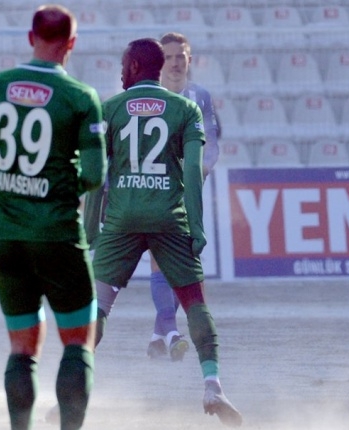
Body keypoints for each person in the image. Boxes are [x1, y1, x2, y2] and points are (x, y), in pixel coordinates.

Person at [0, 5, 106, 429]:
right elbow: (94, 175)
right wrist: (61, 188)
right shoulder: (80, 97)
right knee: (77, 345)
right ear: (71, 44)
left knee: (22, 349)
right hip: (57, 237)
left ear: (29, 37)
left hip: (6, 238)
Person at [91, 37, 242, 427]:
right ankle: (213, 385)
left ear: (136, 67)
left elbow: (95, 174)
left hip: (122, 220)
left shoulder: (109, 109)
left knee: (98, 306)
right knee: (195, 302)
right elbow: (193, 171)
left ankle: (72, 384)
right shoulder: (186, 109)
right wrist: (197, 226)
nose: (121, 71)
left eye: (125, 64)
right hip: (169, 218)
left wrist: (91, 228)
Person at [144, 31, 221, 362]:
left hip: (188, 194)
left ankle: (160, 333)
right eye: (169, 57)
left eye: (180, 57)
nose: (175, 63)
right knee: (162, 259)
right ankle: (172, 332)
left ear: (190, 60)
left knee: (183, 263)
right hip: (153, 190)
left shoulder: (200, 97)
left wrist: (197, 174)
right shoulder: (145, 96)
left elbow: (213, 145)